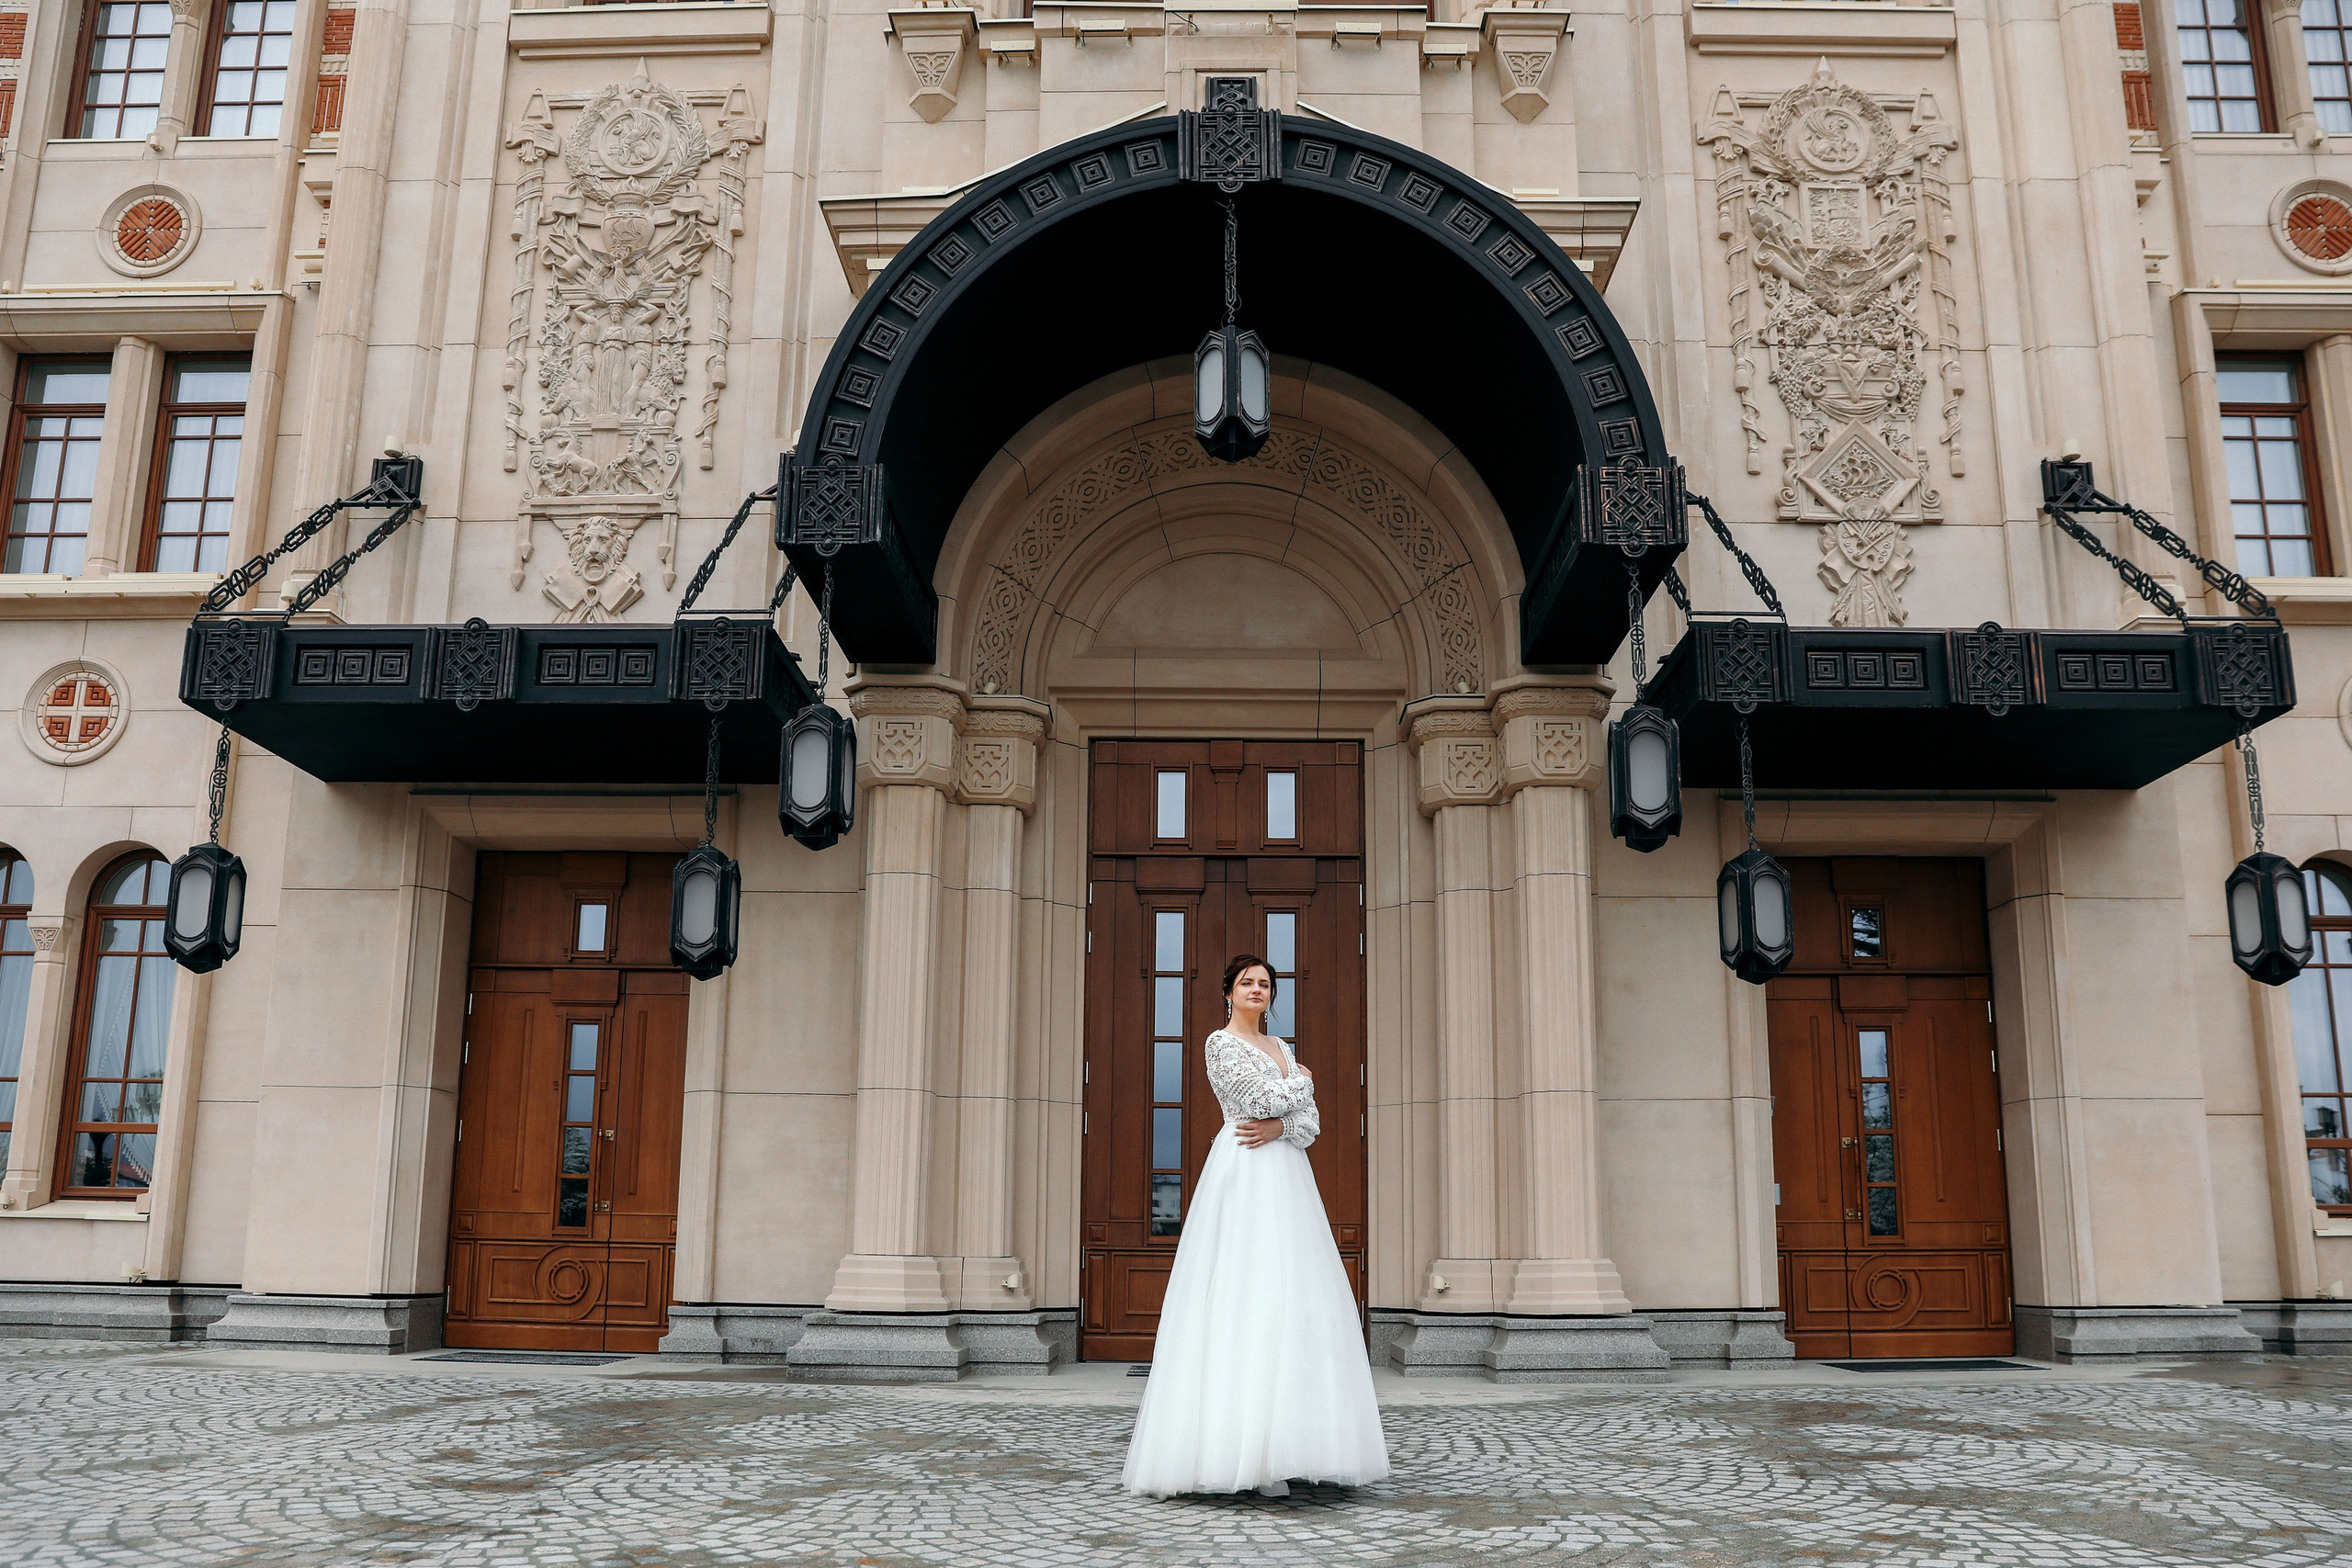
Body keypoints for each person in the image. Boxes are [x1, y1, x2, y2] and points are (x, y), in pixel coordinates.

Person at [1120, 953, 1391, 1498]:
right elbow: (1255, 1101)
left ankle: (1292, 1443)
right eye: (1247, 982)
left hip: (1288, 1174)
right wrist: (1301, 1088)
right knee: (1244, 1290)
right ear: (1227, 991)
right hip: (1243, 1169)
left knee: (1294, 1297)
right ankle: (1233, 1450)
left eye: (1265, 984)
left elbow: (1308, 1127)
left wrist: (1287, 1115)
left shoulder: (1282, 1049)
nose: (1257, 990)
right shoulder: (1219, 1044)